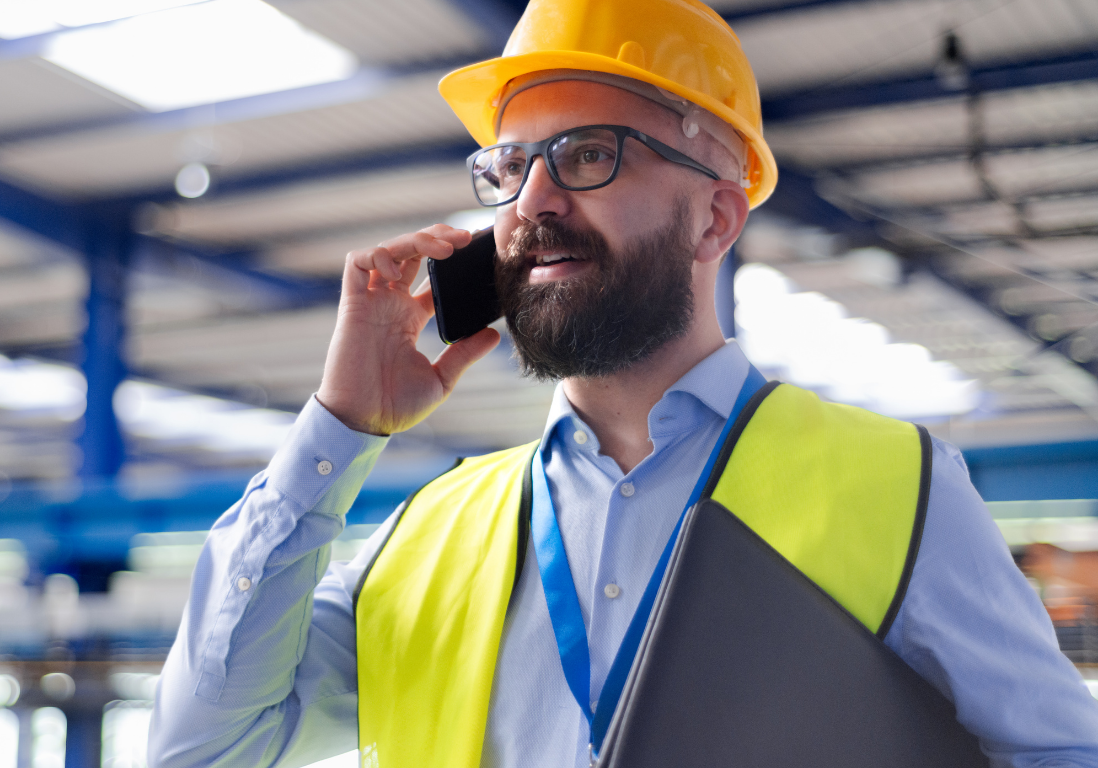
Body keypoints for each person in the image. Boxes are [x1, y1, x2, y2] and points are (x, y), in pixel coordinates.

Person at [148, 0, 1098, 766]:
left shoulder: (900, 490)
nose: (533, 204)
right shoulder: (430, 534)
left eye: (588, 155)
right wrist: (339, 428)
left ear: (715, 220)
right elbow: (203, 746)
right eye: (511, 166)